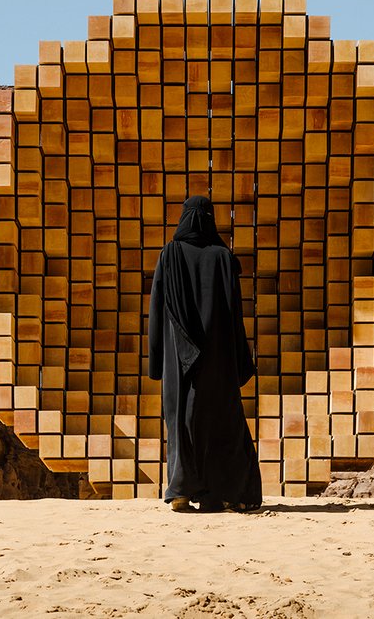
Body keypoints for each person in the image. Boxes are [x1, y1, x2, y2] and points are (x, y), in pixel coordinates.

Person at [147, 195, 262, 513]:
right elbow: (235, 315)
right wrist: (240, 361)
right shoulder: (223, 257)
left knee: (181, 421)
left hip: (178, 361)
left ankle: (181, 492)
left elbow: (156, 310)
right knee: (221, 422)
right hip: (218, 359)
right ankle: (221, 493)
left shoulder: (169, 254)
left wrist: (157, 361)